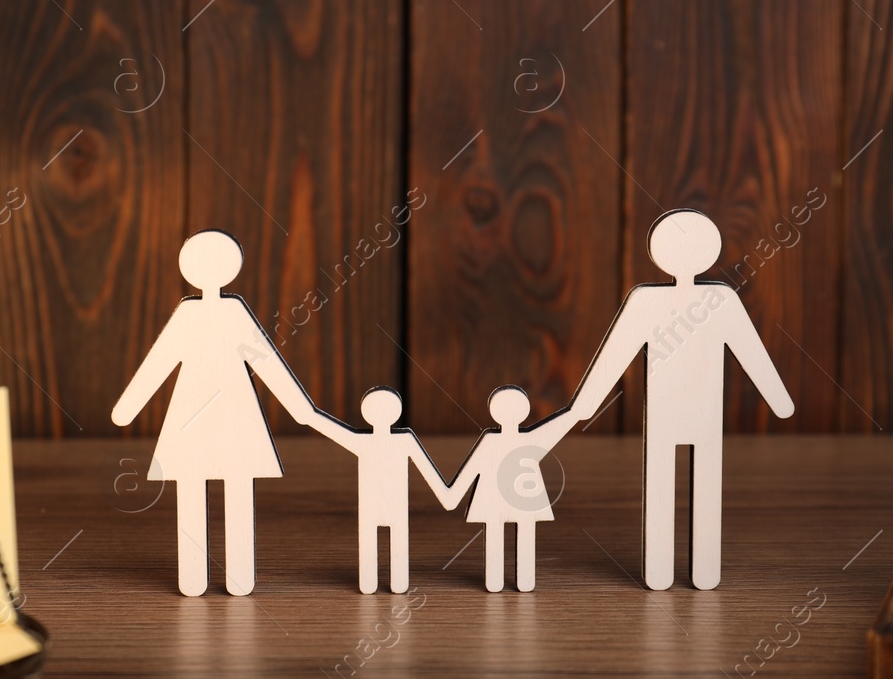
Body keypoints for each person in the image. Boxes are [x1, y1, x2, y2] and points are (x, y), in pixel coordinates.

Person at [572, 209, 794, 591]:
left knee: (685, 483)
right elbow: (617, 353)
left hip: (691, 414)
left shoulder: (696, 300)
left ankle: (687, 570)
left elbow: (750, 351)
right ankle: (678, 571)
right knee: (688, 483)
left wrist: (586, 405)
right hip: (677, 413)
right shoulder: (701, 300)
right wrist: (779, 401)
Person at [110, 230, 317, 596]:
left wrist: (301, 407)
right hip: (206, 411)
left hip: (225, 413)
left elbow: (263, 360)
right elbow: (161, 361)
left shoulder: (229, 312)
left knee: (225, 483)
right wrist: (301, 409)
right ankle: (201, 576)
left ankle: (231, 575)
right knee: (204, 484)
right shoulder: (194, 313)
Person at [309, 387, 452, 594]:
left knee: (393, 541)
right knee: (376, 539)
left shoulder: (400, 440)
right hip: (374, 505)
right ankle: (374, 583)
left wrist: (446, 495)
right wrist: (447, 495)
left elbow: (427, 469)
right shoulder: (372, 440)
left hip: (391, 505)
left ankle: (392, 583)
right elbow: (326, 426)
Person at [438, 387, 579, 592]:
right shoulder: (500, 440)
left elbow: (558, 426)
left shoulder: (521, 438)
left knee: (520, 532)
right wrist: (452, 494)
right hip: (508, 497)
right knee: (506, 531)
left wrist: (451, 495)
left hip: (517, 498)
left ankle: (519, 579)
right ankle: (508, 580)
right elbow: (473, 467)